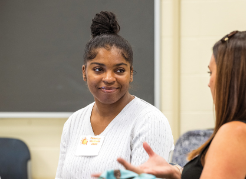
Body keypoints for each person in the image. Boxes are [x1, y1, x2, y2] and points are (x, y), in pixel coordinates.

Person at [110, 31, 246, 179]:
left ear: (231, 80)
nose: (209, 82)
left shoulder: (236, 133)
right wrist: (177, 172)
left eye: (211, 72)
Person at [55, 11, 174, 179]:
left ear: (131, 73)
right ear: (84, 72)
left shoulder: (150, 121)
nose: (109, 78)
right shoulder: (73, 123)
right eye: (98, 69)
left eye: (119, 70)